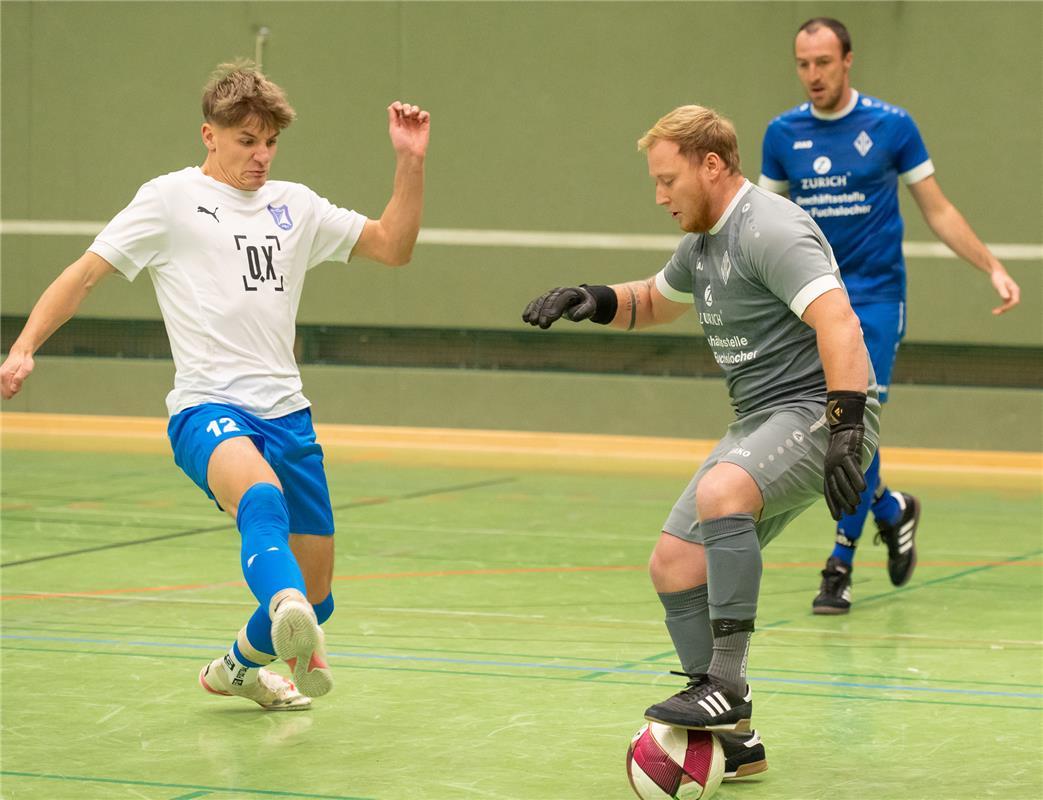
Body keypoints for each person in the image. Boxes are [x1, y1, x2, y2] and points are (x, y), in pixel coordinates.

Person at [0, 62, 430, 710]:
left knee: (319, 598)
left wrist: (409, 162)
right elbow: (85, 274)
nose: (260, 155)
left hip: (289, 414)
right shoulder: (168, 201)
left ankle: (237, 667)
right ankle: (282, 606)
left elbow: (393, 247)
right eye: (246, 140)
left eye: (270, 142)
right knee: (261, 503)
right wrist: (24, 346)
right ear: (210, 134)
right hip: (208, 406)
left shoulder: (296, 206)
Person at [522, 105, 879, 781]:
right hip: (756, 420)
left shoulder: (769, 228)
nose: (658, 196)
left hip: (811, 410)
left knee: (721, 493)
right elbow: (654, 300)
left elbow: (840, 323)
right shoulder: (702, 242)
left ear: (710, 164)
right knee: (673, 564)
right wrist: (589, 297)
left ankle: (727, 686)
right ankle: (733, 738)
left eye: (666, 180)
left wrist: (845, 426)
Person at [759, 17, 1021, 614]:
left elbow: (939, 209)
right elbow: (764, 225)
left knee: (854, 420)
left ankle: (839, 564)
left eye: (824, 62)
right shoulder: (782, 134)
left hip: (875, 299)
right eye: (803, 64)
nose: (812, 75)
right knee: (834, 423)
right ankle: (892, 509)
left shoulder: (891, 125)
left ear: (848, 60)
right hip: (815, 299)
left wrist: (992, 267)